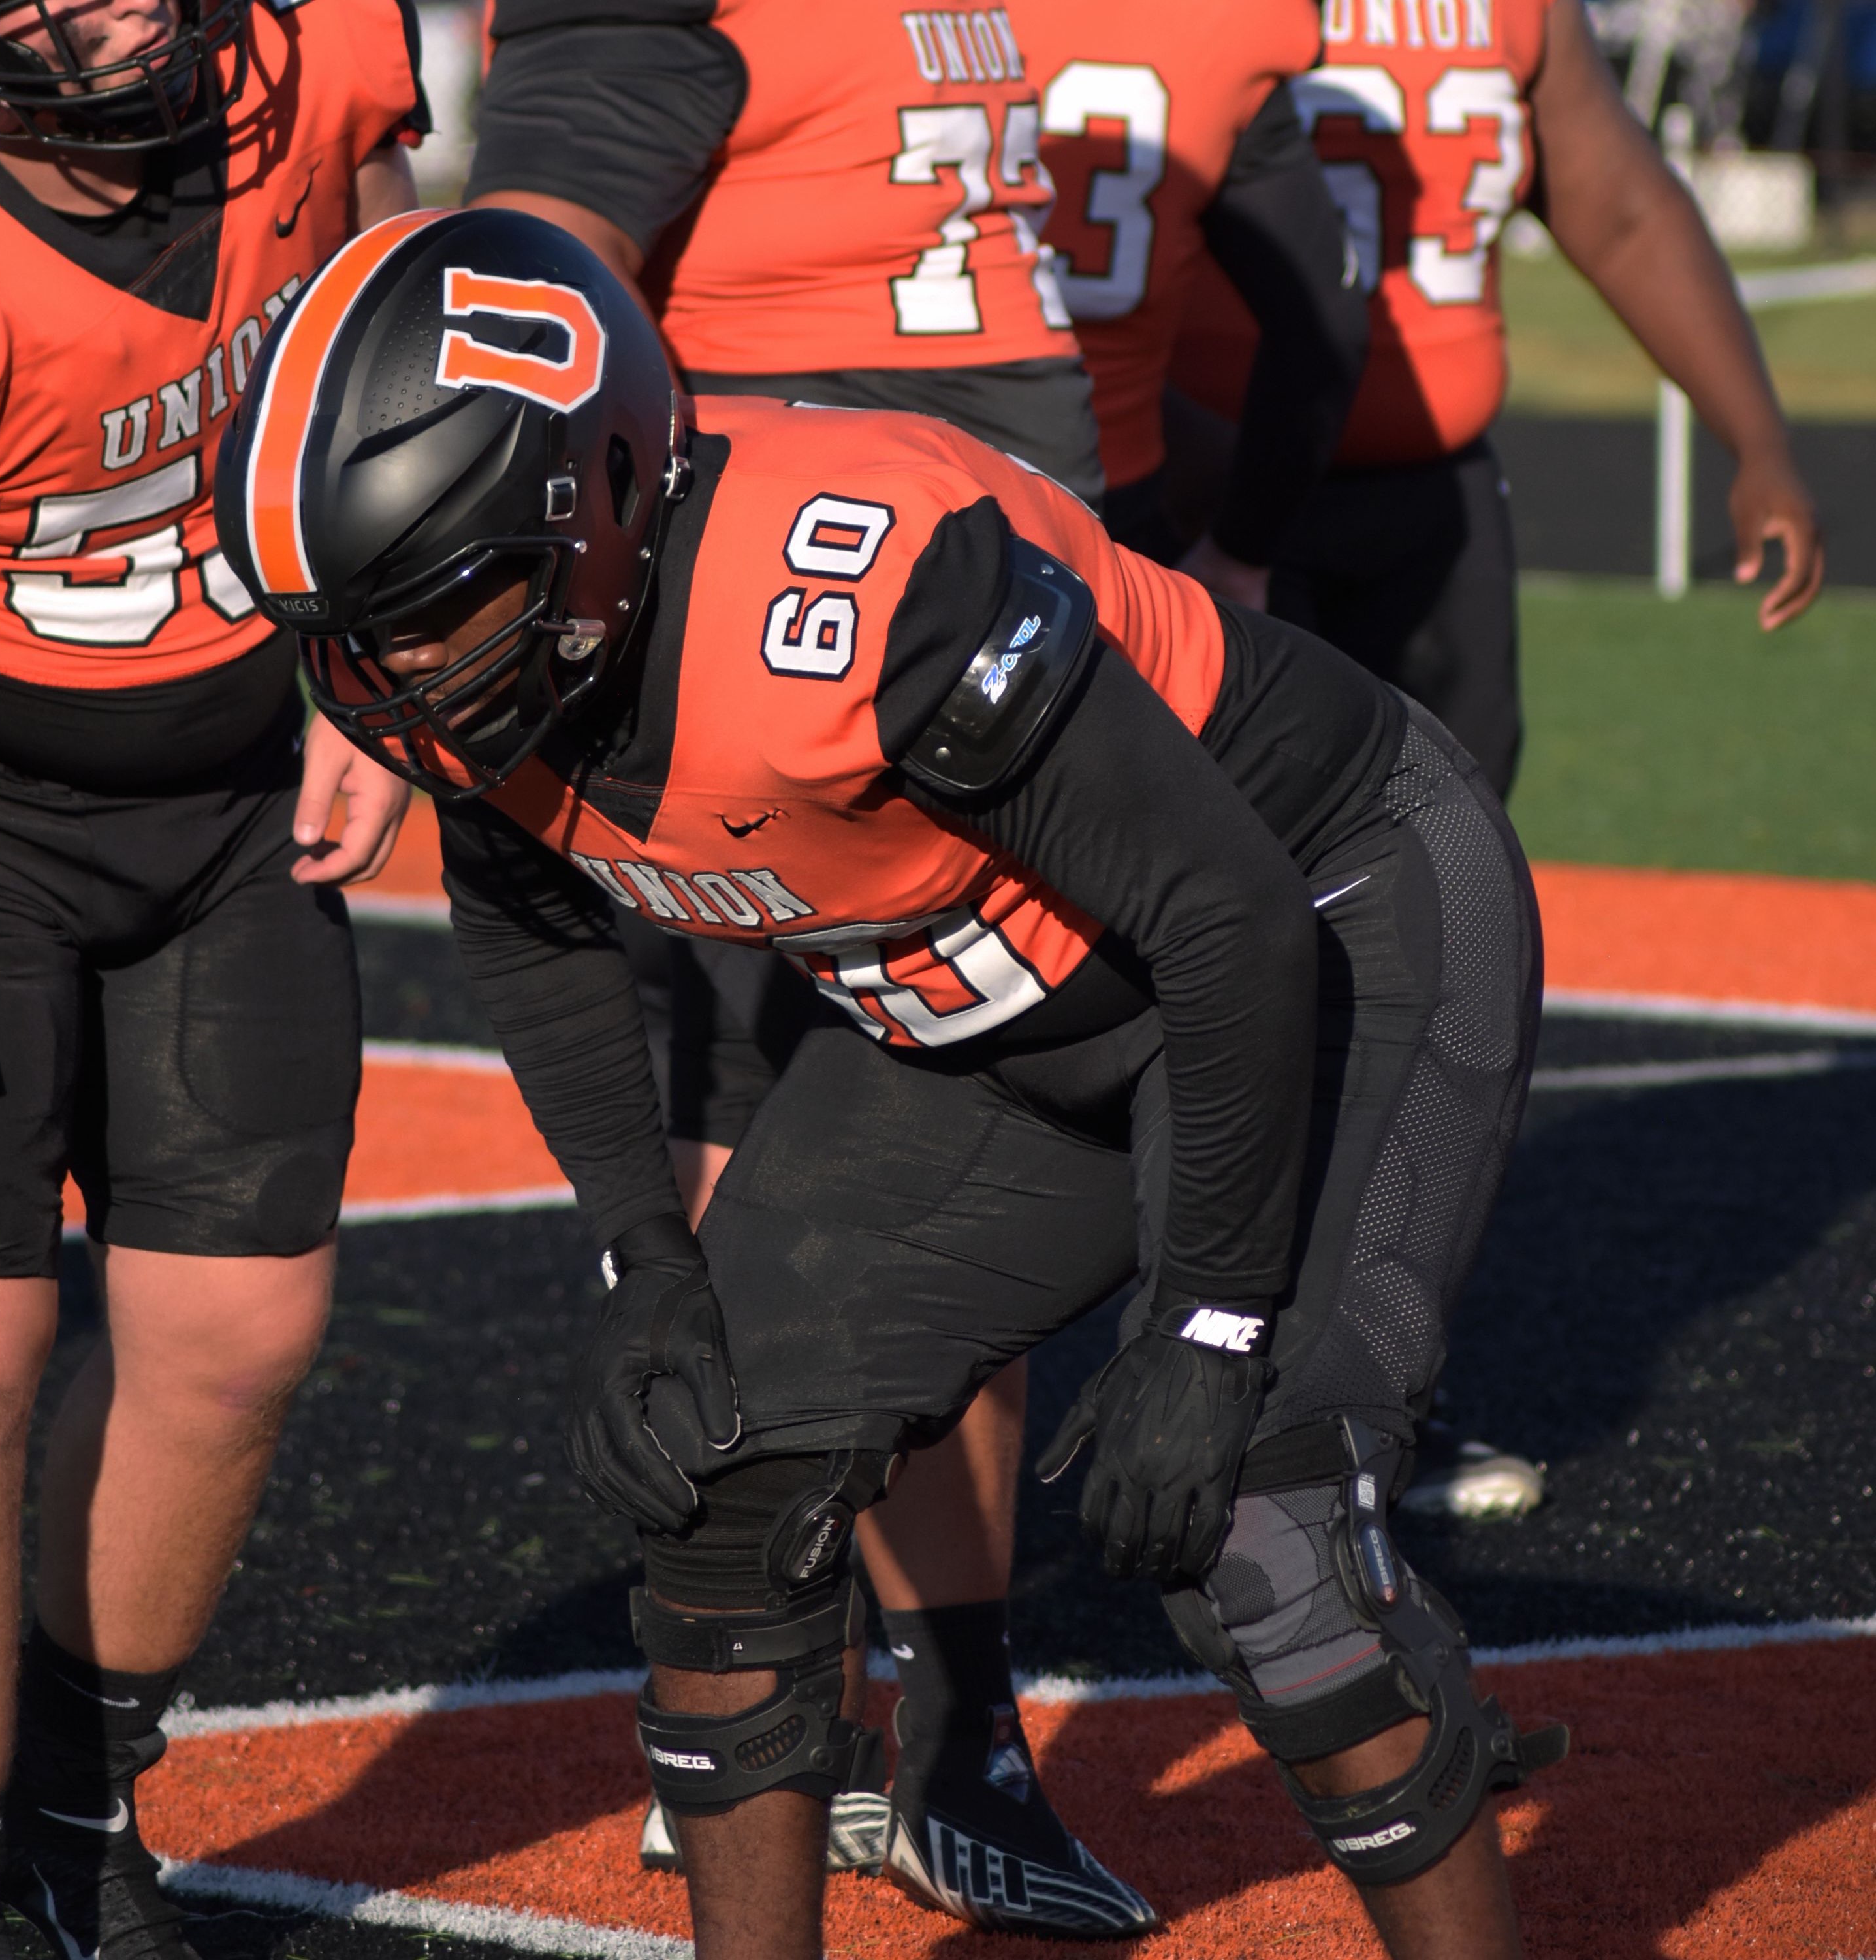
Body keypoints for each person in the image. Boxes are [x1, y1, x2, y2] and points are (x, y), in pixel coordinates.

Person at [216, 206, 1568, 1960]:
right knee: (714, 1469)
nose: (396, 677)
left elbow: (1225, 919)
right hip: (988, 1001)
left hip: (1326, 917)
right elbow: (532, 930)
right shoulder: (502, 660)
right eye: (352, 630)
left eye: (435, 604)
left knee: (1262, 1523)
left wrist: (1213, 1322)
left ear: (608, 496)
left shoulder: (851, 593)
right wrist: (648, 1255)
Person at [462, 5, 1372, 1922]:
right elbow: (524, 287)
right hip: (744, 617)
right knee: (762, 1128)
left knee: (1002, 1060)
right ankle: (782, 1668)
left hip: (982, 576)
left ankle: (954, 1724)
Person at [0, 5, 422, 1959]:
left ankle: (72, 1806)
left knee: (239, 1333)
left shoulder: (318, 66)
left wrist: (370, 684)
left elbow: (405, 346)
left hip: (224, 801)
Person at [1168, 0, 1824, 800]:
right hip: (1214, 493)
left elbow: (1623, 212)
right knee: (1226, 842)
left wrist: (1759, 442)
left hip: (1436, 499)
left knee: (1459, 846)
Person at [1030, 0, 1371, 599]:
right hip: (1101, 511)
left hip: (876, 480)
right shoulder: (1228, 24)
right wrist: (1241, 550)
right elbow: (1326, 327)